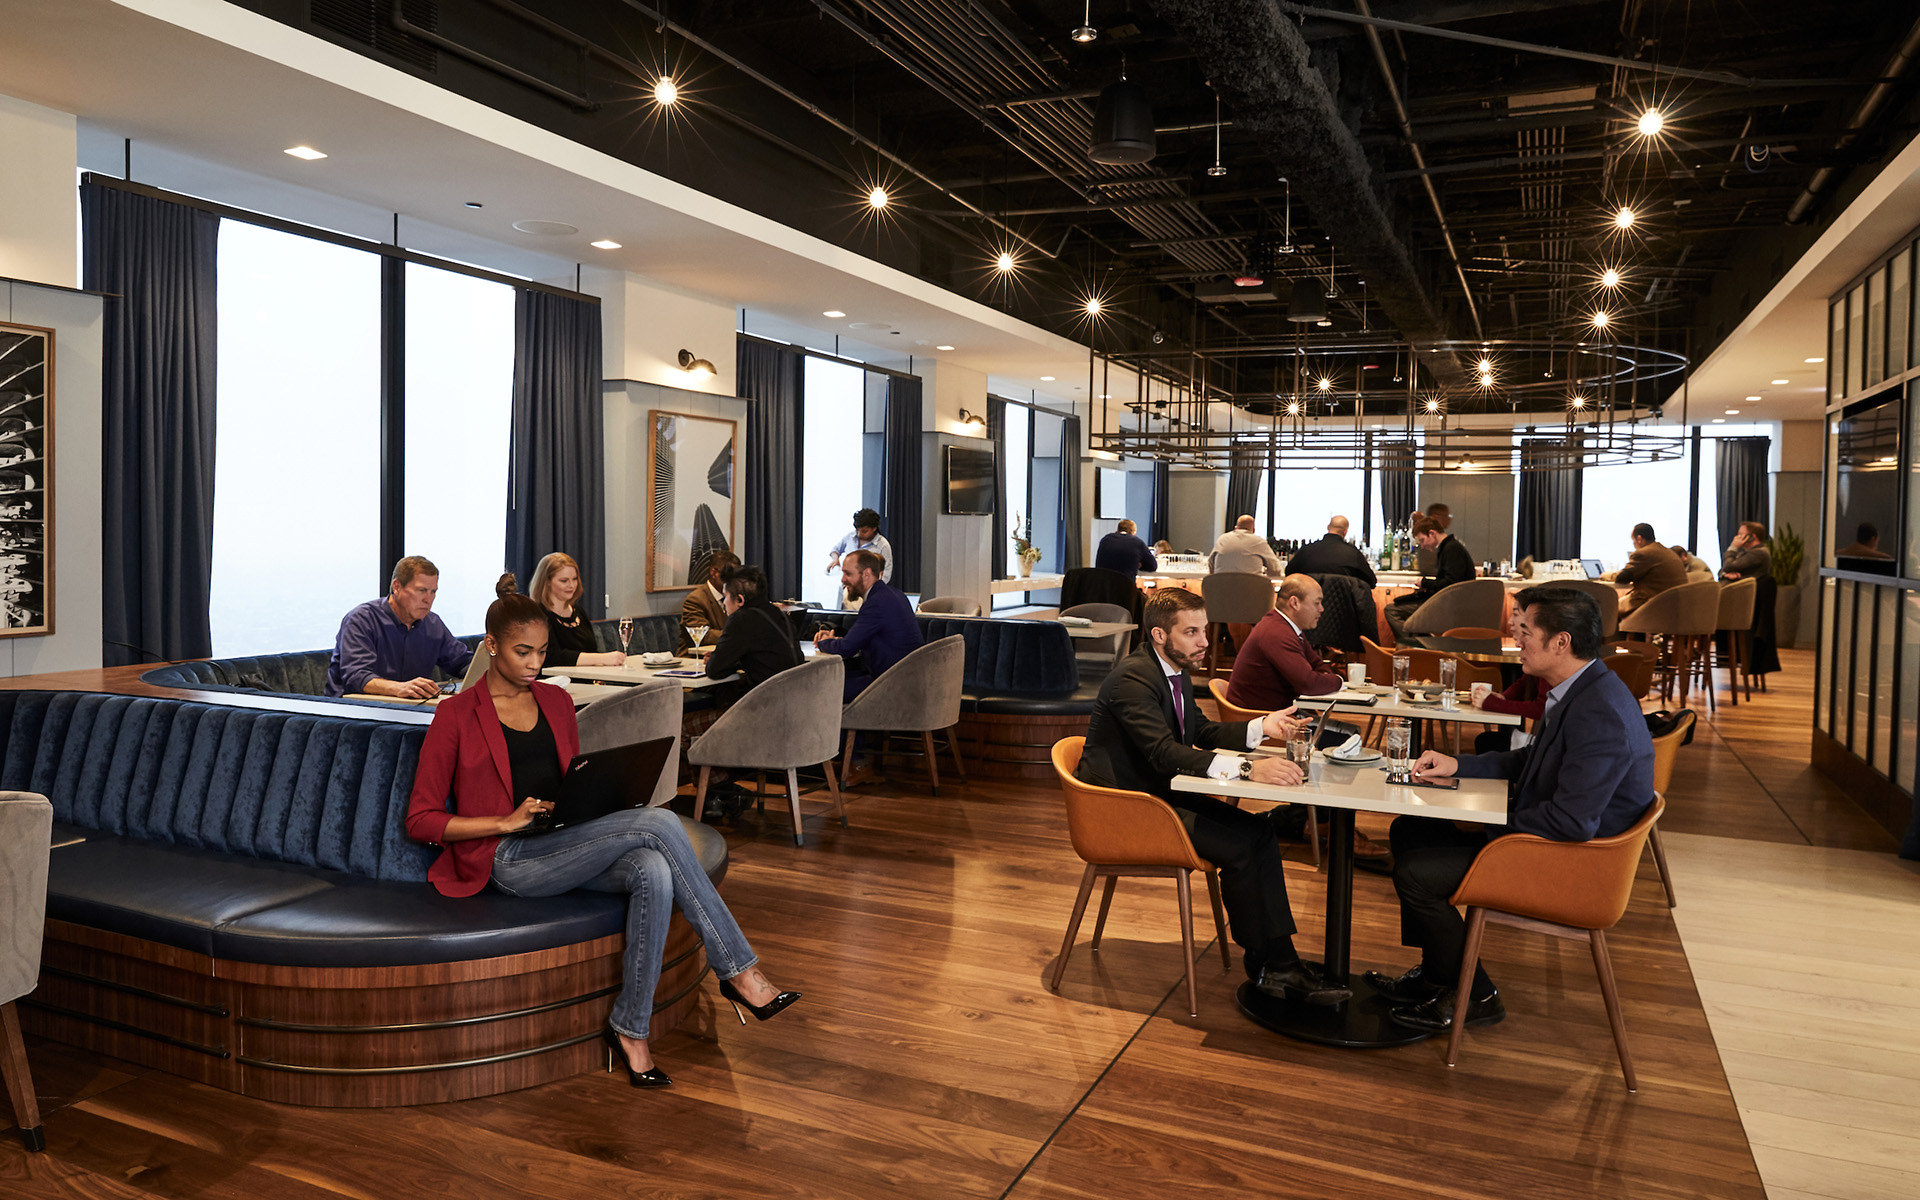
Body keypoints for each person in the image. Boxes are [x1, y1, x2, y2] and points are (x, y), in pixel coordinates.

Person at [404, 575, 798, 1088]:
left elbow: (571, 782)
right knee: (659, 821)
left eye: (542, 651)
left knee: (653, 868)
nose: (535, 663)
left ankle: (631, 1030)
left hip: (562, 841)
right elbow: (421, 820)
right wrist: (506, 821)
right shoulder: (456, 715)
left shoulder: (556, 702)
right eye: (523, 652)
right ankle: (740, 971)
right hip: (505, 857)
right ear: (491, 646)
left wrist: (586, 800)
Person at [1366, 586, 1655, 1034]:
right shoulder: (1581, 690)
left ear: (1561, 642)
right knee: (1410, 830)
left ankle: (1476, 995)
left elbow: (1571, 823)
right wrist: (1459, 764)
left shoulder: (1599, 712)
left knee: (1416, 874)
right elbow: (1532, 760)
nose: (1516, 639)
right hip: (1555, 840)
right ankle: (1439, 975)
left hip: (1575, 862)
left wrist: (1483, 823)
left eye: (1526, 631)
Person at [1076, 587, 1348, 1005]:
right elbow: (1164, 753)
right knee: (1240, 846)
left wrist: (1262, 727)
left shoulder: (1173, 668)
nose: (1205, 642)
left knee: (1260, 833)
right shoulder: (1133, 679)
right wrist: (1250, 768)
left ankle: (1275, 961)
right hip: (1126, 809)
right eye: (1192, 632)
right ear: (1159, 635)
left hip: (1158, 794)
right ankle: (1274, 965)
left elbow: (1199, 731)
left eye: (1204, 630)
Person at [1224, 574, 1390, 867]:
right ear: (1294, 602)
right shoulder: (1276, 632)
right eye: (1317, 602)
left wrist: (1327, 677)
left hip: (1279, 718)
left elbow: (1317, 667)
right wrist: (1338, 680)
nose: (1322, 609)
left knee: (1350, 735)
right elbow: (1309, 683)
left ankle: (1320, 821)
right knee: (1346, 743)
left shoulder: (1288, 629)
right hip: (1262, 725)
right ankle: (1333, 829)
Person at [326, 555, 473, 698]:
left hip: (408, 708)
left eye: (433, 592)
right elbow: (356, 677)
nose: (428, 599)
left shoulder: (433, 623)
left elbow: (462, 663)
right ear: (396, 587)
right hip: (350, 708)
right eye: (421, 590)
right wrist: (400, 688)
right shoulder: (362, 619)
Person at [813, 549, 922, 702]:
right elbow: (858, 640)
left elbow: (846, 648)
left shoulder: (876, 602)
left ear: (866, 574)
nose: (843, 579)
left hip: (889, 684)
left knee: (819, 689)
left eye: (848, 574)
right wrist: (836, 640)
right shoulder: (895, 594)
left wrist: (823, 643)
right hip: (908, 680)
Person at [706, 564, 803, 693]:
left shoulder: (741, 619)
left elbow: (714, 670)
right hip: (798, 695)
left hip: (768, 699)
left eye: (726, 596)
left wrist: (723, 660)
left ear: (740, 600)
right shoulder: (780, 615)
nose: (724, 602)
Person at [530, 552, 627, 670]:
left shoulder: (578, 611)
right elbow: (552, 656)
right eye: (564, 581)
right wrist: (603, 658)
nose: (571, 585)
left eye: (574, 579)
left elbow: (591, 649)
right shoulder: (538, 614)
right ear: (547, 581)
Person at [1384, 515, 1475, 641]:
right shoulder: (1451, 547)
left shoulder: (1451, 549)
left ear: (1432, 533)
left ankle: (1417, 645)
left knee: (1392, 610)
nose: (1422, 546)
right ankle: (1424, 642)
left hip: (1449, 606)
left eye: (1422, 540)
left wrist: (1424, 582)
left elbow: (1451, 584)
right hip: (1453, 604)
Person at [1610, 523, 1687, 614]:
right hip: (1674, 607)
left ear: (1639, 539)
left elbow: (1622, 578)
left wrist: (1607, 575)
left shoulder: (1644, 553)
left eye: (1633, 540)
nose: (1633, 544)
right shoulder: (1669, 552)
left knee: (1608, 607)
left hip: (1652, 607)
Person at [1282, 516, 1376, 586]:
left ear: (1328, 527)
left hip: (1308, 604)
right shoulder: (1353, 554)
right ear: (1345, 532)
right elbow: (1371, 581)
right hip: (1344, 606)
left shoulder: (1306, 550)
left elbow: (1289, 573)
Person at [679, 550, 740, 652]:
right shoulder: (696, 599)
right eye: (729, 575)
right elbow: (703, 635)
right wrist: (737, 636)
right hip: (694, 657)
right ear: (714, 572)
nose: (733, 581)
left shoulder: (736, 597)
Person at [825, 507, 892, 585]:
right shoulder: (850, 537)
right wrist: (835, 559)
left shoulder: (883, 545)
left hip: (868, 588)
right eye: (857, 530)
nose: (859, 534)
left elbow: (886, 575)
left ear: (874, 528)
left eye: (864, 531)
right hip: (847, 585)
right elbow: (835, 549)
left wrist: (870, 588)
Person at [1208, 515, 1283, 577]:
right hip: (1251, 588)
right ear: (1253, 530)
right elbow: (1275, 570)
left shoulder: (1222, 539)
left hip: (1221, 588)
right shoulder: (1259, 542)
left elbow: (1211, 563)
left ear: (1235, 528)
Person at [1094, 518, 1158, 581]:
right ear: (1133, 533)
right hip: (1125, 584)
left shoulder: (1105, 539)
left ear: (1117, 530)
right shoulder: (1137, 542)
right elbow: (1152, 566)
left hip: (1102, 584)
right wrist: (1137, 565)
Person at [1415, 503, 1451, 577]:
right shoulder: (1429, 542)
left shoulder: (1445, 543)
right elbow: (1427, 569)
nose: (1449, 519)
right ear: (1435, 517)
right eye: (1445, 516)